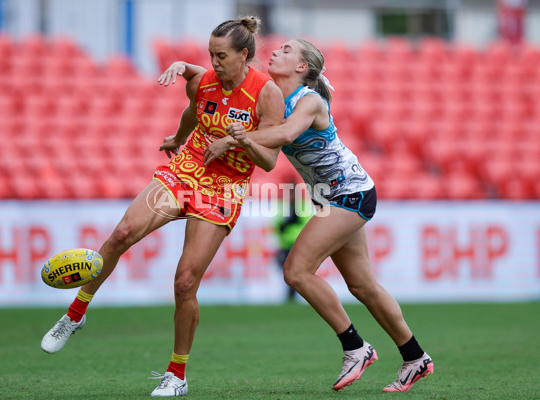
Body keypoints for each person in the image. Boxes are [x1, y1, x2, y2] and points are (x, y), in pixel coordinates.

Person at [40, 16, 284, 398]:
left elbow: (269, 162)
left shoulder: (266, 94)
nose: (214, 62)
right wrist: (179, 136)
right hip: (186, 170)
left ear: (244, 55)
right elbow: (195, 107)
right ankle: (74, 315)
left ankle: (177, 374)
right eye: (210, 55)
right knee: (122, 233)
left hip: (224, 188)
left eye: (221, 56)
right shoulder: (205, 81)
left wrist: (241, 142)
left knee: (185, 282)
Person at [174, 38, 434, 393]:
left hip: (350, 193)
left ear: (301, 67)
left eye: (285, 50)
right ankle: (415, 357)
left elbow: (284, 134)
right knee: (362, 285)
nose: (276, 51)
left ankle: (354, 346)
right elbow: (236, 100)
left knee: (297, 271)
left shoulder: (309, 100)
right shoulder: (274, 99)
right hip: (332, 196)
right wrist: (191, 74)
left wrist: (235, 139)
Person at [272, 175, 311, 302]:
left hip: (298, 245)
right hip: (285, 245)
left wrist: (290, 222)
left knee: (293, 272)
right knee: (289, 271)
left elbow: (308, 224)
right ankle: (293, 295)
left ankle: (292, 296)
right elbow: (276, 225)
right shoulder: (284, 206)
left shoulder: (304, 206)